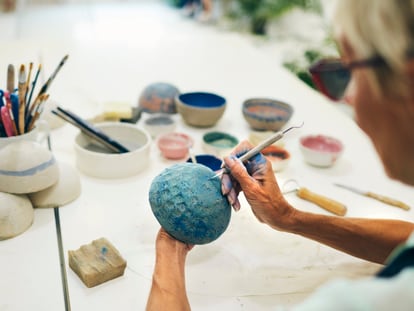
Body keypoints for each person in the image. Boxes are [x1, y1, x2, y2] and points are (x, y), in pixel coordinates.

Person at [146, 0, 414, 309]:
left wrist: (169, 245)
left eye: (345, 73)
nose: (350, 99)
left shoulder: (363, 302)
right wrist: (288, 217)